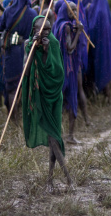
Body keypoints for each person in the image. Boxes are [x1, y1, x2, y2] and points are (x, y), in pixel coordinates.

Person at [22, 15, 71, 190]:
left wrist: (46, 51)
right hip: (39, 94)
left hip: (54, 95)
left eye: (48, 29)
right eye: (40, 29)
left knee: (54, 137)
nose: (44, 32)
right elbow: (26, 73)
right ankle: (58, 179)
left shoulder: (54, 44)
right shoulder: (28, 44)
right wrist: (33, 49)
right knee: (53, 138)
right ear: (33, 30)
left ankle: (62, 179)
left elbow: (58, 74)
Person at [0, 0, 37, 122]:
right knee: (26, 86)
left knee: (12, 88)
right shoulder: (32, 13)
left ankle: (14, 119)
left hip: (11, 53)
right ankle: (26, 118)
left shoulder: (8, 11)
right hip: (27, 52)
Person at [53, 1, 89, 143]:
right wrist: (79, 32)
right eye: (71, 9)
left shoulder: (60, 24)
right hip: (67, 69)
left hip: (63, 68)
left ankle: (65, 135)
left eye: (75, 9)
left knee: (62, 100)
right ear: (64, 10)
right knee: (71, 99)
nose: (74, 12)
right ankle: (69, 136)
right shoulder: (66, 27)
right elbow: (69, 48)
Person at [86, 0, 111, 102]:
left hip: (98, 46)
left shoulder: (97, 12)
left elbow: (92, 28)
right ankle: (107, 96)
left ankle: (103, 94)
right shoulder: (106, 11)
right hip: (106, 47)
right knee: (106, 67)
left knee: (100, 67)